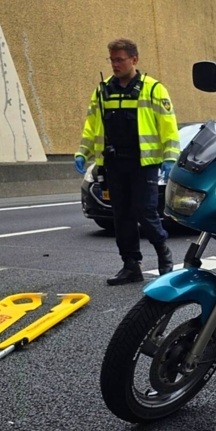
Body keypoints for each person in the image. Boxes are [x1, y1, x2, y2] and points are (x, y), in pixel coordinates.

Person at [75, 38, 180, 285]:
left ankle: (164, 257)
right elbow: (92, 126)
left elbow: (168, 127)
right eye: (112, 59)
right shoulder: (102, 91)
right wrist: (83, 151)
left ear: (134, 60)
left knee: (145, 211)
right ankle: (131, 265)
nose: (114, 64)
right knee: (120, 216)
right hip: (114, 163)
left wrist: (170, 156)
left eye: (119, 59)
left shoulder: (154, 89)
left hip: (144, 163)